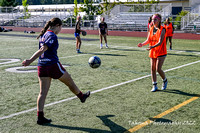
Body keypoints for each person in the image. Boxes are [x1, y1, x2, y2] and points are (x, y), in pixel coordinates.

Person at [22, 18, 90, 125]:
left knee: (42, 93)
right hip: (52, 65)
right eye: (61, 27)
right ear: (57, 25)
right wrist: (30, 61)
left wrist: (31, 61)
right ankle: (81, 96)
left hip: (42, 66)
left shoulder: (44, 34)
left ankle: (40, 117)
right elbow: (43, 49)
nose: (61, 29)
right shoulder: (52, 35)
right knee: (70, 82)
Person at [137, 14, 168, 92]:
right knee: (152, 68)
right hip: (153, 51)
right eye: (153, 19)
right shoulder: (151, 28)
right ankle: (154, 85)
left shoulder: (162, 29)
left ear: (159, 20)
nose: (153, 21)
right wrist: (142, 44)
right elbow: (148, 40)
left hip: (161, 51)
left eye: (155, 19)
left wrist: (152, 47)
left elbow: (160, 42)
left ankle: (164, 80)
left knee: (158, 69)